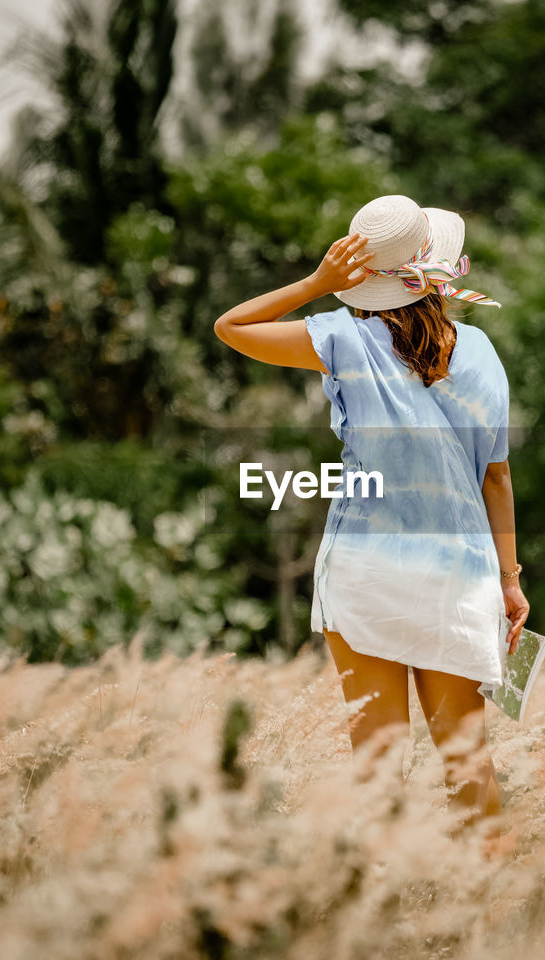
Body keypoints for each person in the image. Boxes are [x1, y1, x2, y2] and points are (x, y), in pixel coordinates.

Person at [214, 194, 529, 845]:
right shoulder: (480, 352)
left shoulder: (341, 338)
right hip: (460, 576)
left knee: (378, 763)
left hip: (368, 572)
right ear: (437, 272)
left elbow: (232, 328)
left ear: (365, 277)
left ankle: (377, 913)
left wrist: (315, 285)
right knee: (466, 762)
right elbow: (496, 477)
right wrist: (510, 579)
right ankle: (495, 913)